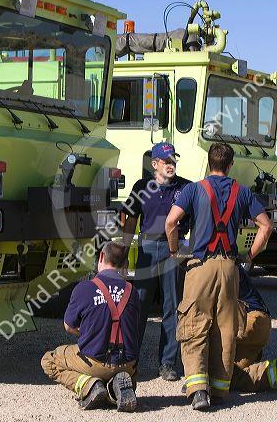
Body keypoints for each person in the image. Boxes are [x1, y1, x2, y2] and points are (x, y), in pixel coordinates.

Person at [165, 142, 273, 410]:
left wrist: (174, 249)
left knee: (195, 325)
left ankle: (198, 390)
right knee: (225, 329)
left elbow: (171, 222)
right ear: (230, 164)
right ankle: (220, 390)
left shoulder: (193, 189)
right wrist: (249, 256)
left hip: (200, 265)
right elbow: (266, 226)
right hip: (229, 268)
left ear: (209, 163)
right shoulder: (243, 192)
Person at [41, 241, 140, 413]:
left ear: (101, 257)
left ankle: (89, 385)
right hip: (128, 365)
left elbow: (68, 326)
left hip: (93, 362)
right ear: (126, 264)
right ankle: (115, 387)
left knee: (49, 360)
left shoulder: (84, 288)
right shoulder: (133, 292)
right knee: (123, 372)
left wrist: (89, 332)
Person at [122, 142, 191, 381]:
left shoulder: (186, 187)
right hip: (148, 249)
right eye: (167, 161)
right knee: (138, 305)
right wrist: (122, 252)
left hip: (174, 250)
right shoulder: (141, 187)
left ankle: (168, 364)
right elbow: (130, 221)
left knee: (172, 307)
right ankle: (131, 360)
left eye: (174, 161)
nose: (171, 165)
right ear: (155, 164)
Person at [231, 266, 276, 392]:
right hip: (260, 322)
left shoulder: (210, 266)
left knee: (220, 376)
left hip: (248, 321)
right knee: (234, 374)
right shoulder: (231, 260)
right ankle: (272, 372)